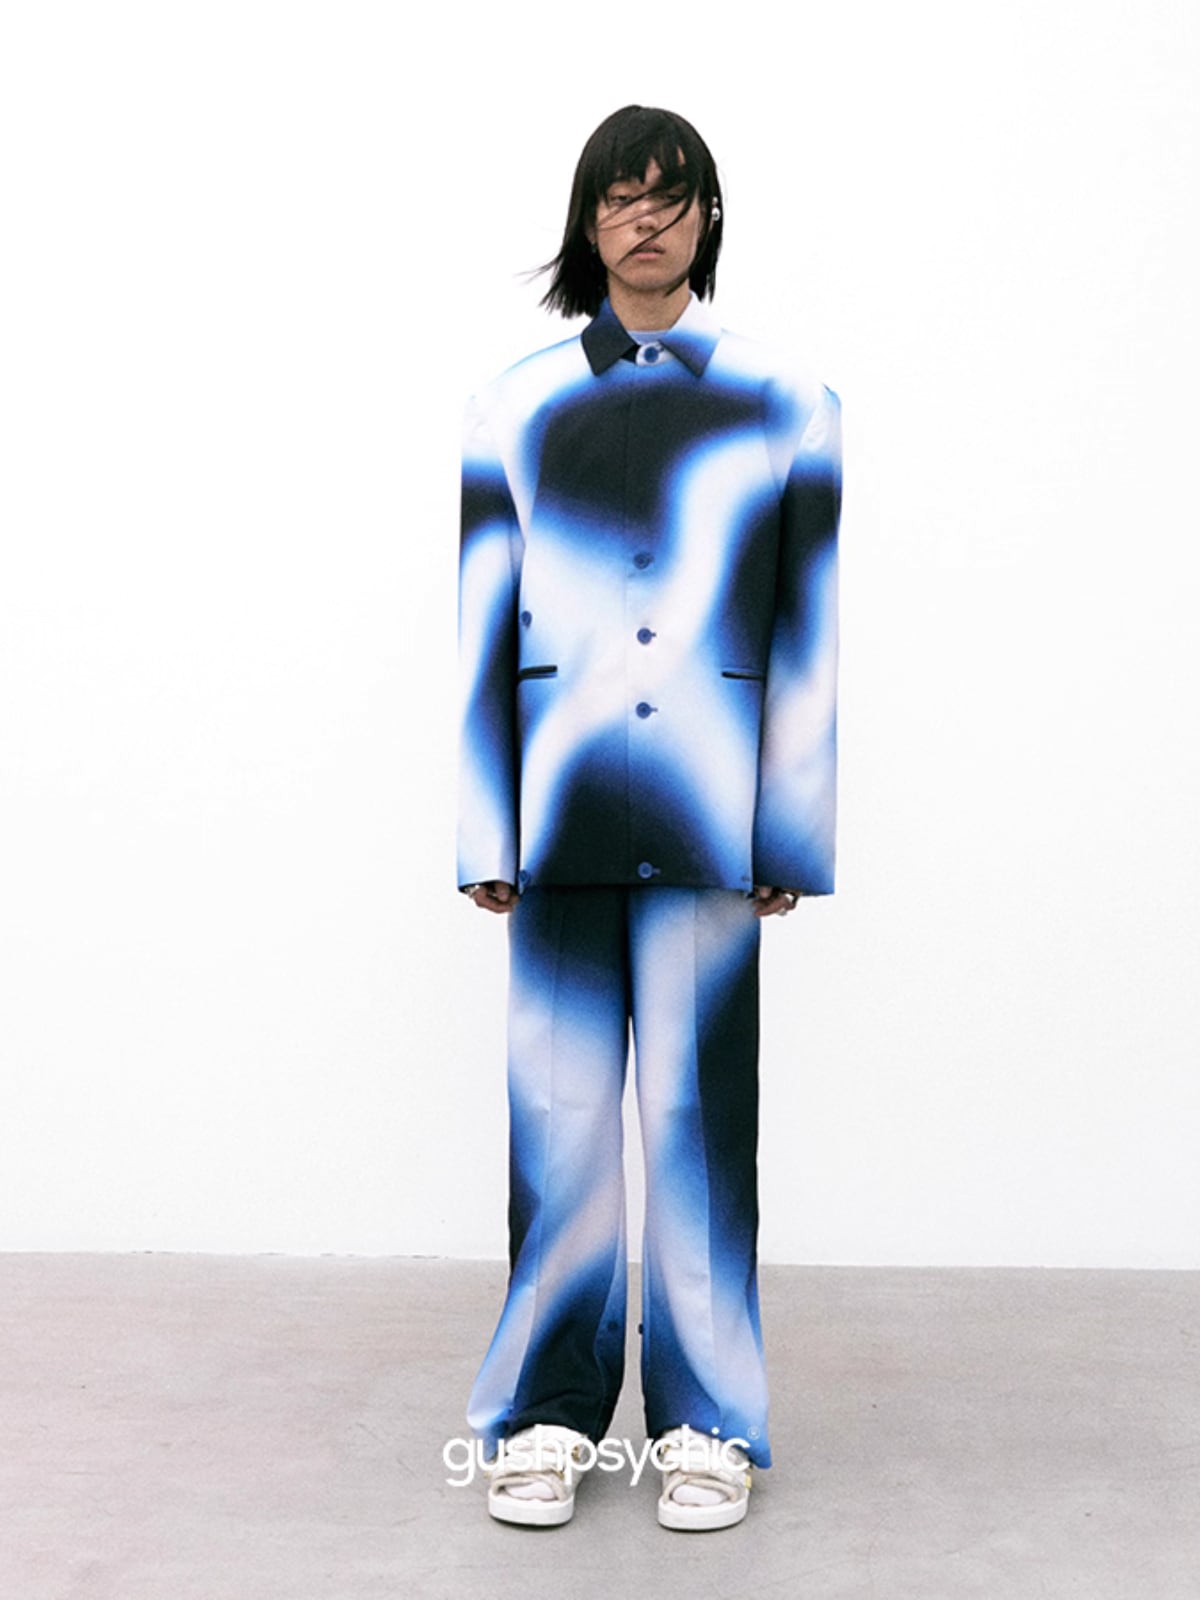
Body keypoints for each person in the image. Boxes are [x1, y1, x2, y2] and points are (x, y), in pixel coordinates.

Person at [457, 104, 841, 1531]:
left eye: (672, 197)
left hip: (708, 823)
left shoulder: (787, 406)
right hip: (557, 816)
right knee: (558, 1126)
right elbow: (480, 622)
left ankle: (708, 1426)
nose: (646, 219)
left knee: (697, 1125)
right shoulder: (515, 406)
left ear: (707, 219)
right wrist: (484, 829)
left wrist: (789, 831)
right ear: (588, 221)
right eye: (621, 196)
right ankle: (543, 1419)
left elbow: (804, 629)